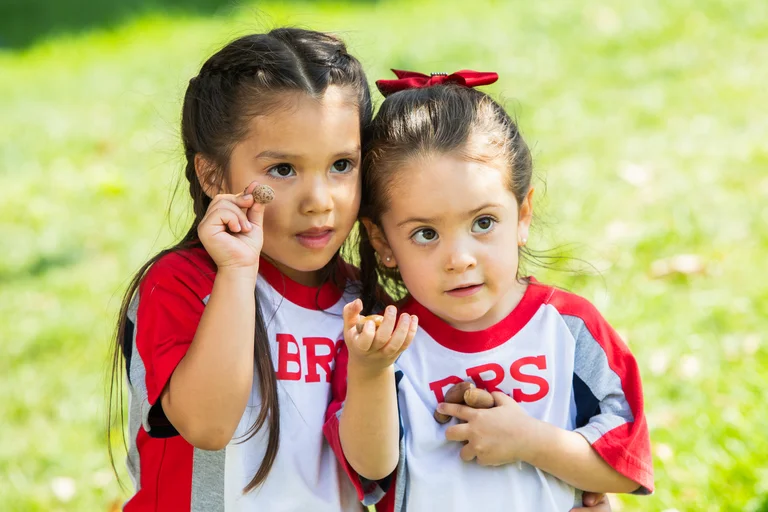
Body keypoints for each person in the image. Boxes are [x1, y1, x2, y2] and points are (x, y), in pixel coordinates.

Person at [106, 28, 417, 511]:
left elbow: (385, 468)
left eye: (341, 164)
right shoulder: (183, 283)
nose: (319, 203)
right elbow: (208, 426)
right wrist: (236, 270)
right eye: (283, 170)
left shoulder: (365, 302)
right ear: (212, 175)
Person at [329, 70, 653, 511]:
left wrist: (529, 441)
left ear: (522, 216)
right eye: (425, 233)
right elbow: (370, 471)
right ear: (383, 241)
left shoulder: (569, 326)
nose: (459, 258)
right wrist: (371, 372)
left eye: (483, 223)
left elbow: (627, 464)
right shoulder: (384, 344)